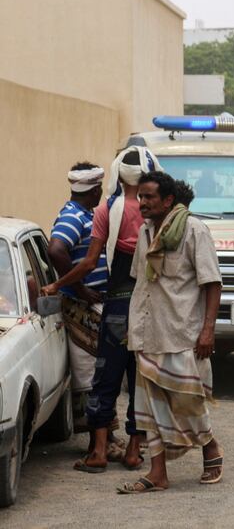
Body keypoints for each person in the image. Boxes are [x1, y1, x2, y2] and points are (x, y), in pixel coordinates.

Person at [43, 146, 162, 472]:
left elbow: (92, 261)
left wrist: (59, 284)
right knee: (139, 380)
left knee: (105, 380)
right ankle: (135, 452)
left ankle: (97, 453)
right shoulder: (158, 213)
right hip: (147, 306)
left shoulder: (106, 211)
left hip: (115, 306)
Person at [117, 172, 223, 494]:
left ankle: (211, 448)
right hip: (148, 332)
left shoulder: (195, 230)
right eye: (141, 197)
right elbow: (142, 282)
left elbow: (212, 283)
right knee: (148, 407)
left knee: (187, 402)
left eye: (149, 197)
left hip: (181, 333)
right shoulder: (145, 233)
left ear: (167, 201)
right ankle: (157, 473)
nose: (143, 203)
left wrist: (207, 331)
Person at [47, 162, 108, 431]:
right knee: (89, 376)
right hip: (81, 305)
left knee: (99, 373)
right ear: (94, 191)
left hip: (92, 302)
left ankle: (103, 437)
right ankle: (97, 438)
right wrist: (80, 287)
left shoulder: (85, 213)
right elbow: (56, 250)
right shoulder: (73, 216)